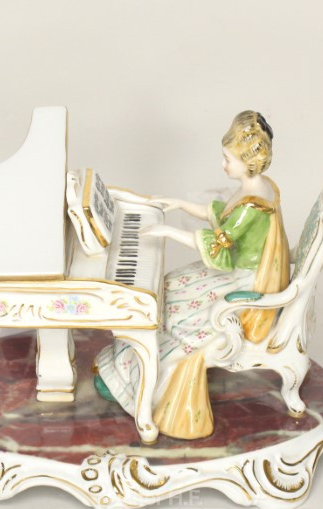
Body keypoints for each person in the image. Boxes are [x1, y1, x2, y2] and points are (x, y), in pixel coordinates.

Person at [95, 111, 290, 440]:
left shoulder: (253, 205)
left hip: (246, 281)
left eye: (228, 159)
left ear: (248, 164)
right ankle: (128, 368)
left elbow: (219, 245)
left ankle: (144, 385)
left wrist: (168, 231)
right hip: (241, 269)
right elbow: (222, 216)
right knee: (167, 287)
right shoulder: (258, 188)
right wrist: (181, 204)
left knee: (174, 310)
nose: (223, 165)